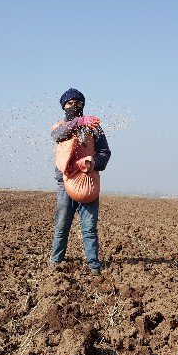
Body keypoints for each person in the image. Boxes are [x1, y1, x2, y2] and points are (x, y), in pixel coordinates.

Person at [50, 88, 111, 275]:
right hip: (65, 183)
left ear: (83, 105)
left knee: (89, 228)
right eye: (70, 103)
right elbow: (57, 136)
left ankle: (94, 266)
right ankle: (55, 262)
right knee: (62, 226)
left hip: (88, 183)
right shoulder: (60, 127)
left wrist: (94, 162)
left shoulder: (94, 127)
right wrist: (78, 122)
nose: (74, 106)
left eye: (78, 103)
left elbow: (105, 153)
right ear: (63, 107)